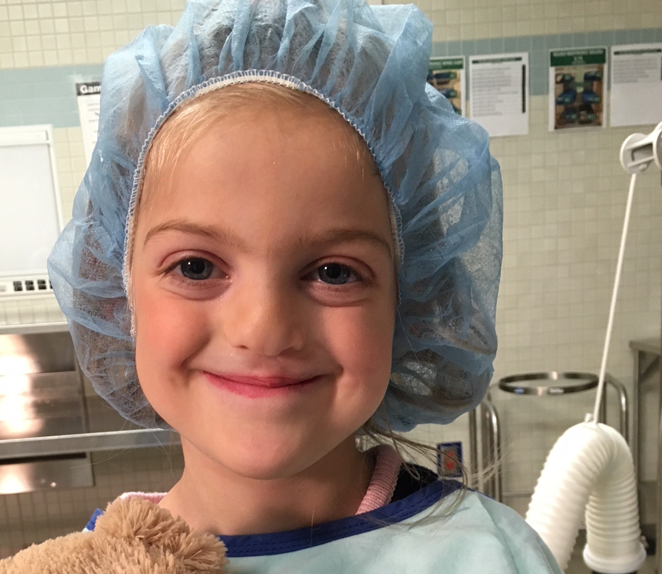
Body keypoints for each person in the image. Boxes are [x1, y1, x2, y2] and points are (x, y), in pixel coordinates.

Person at [47, 0, 563, 571]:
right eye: (195, 267)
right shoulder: (92, 566)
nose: (264, 328)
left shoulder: (491, 558)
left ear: (411, 303)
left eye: (333, 272)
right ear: (119, 300)